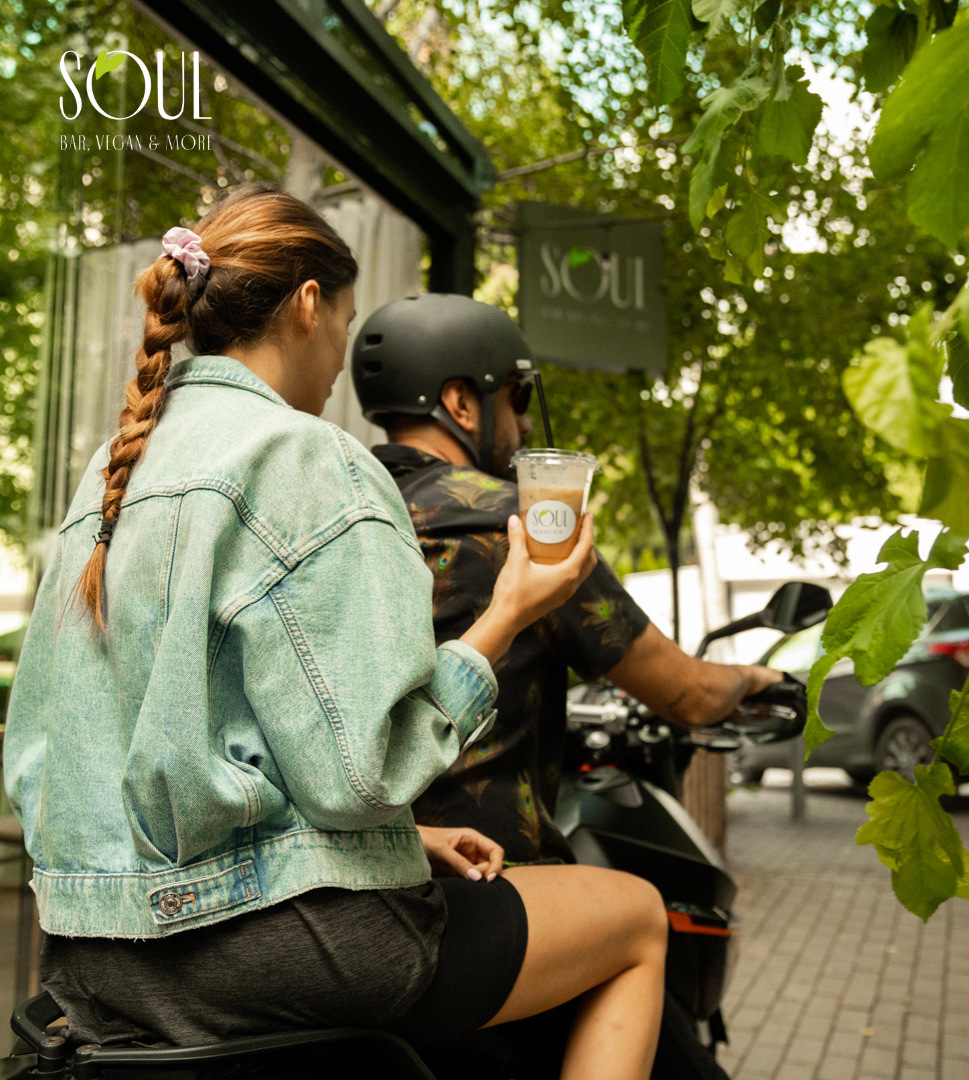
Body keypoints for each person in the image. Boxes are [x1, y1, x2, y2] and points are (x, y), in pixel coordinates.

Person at [2, 184, 669, 1080]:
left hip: (97, 960)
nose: (336, 378)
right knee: (634, 918)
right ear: (309, 305)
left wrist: (405, 843)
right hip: (283, 953)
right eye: (347, 329)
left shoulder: (114, 470)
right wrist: (511, 606)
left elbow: (112, 754)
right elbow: (365, 772)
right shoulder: (306, 458)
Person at [354, 294, 786, 1079]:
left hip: (354, 884)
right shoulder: (518, 525)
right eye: (514, 400)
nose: (521, 427)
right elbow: (684, 692)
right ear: (458, 401)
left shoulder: (343, 515)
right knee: (636, 926)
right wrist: (759, 678)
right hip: (489, 888)